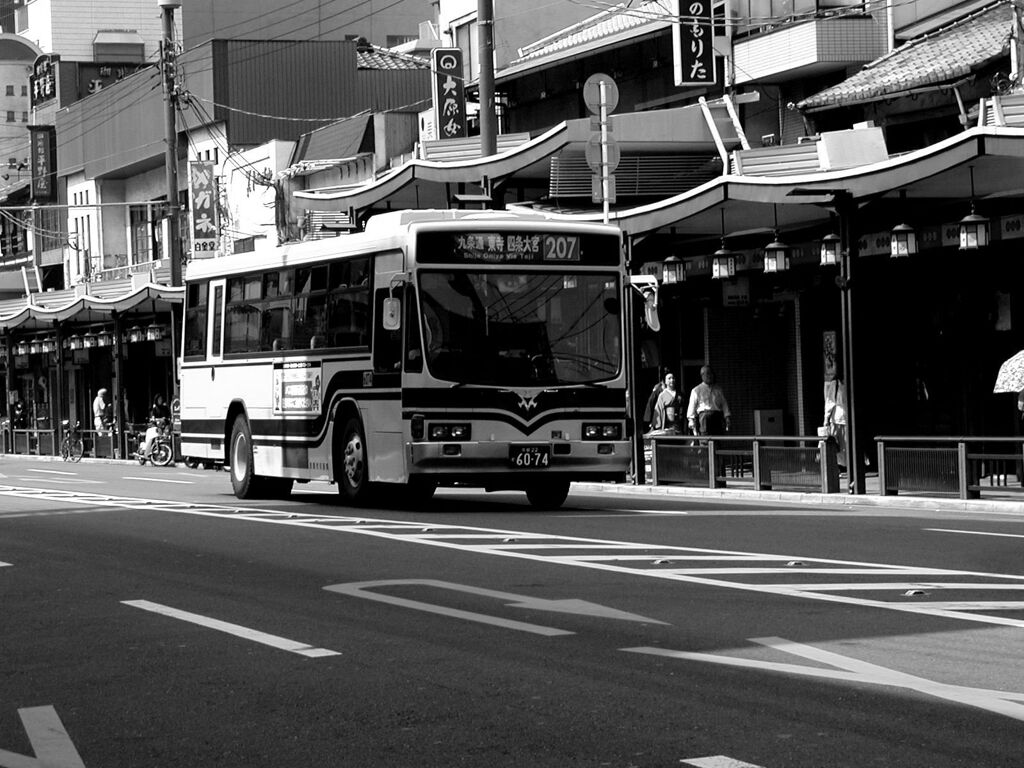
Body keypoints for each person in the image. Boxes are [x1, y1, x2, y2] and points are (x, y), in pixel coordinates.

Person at [686, 365, 731, 436]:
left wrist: (727, 417)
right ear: (702, 375)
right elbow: (692, 406)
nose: (709, 376)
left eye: (711, 373)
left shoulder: (718, 389)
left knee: (717, 440)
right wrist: (691, 420)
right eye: (707, 374)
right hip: (704, 418)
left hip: (717, 417)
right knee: (705, 440)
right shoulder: (696, 390)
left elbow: (724, 404)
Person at [824, 372, 848, 469]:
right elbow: (830, 402)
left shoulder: (849, 383)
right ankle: (837, 467)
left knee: (846, 447)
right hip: (836, 419)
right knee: (836, 445)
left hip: (847, 420)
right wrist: (826, 418)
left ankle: (847, 467)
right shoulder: (836, 384)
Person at [140, 394, 170, 459]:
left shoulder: (165, 408)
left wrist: (165, 419)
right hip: (156, 426)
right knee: (152, 437)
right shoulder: (154, 409)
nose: (160, 400)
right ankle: (147, 451)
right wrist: (157, 419)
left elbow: (168, 417)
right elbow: (153, 418)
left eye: (161, 399)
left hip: (164, 426)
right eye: (159, 399)